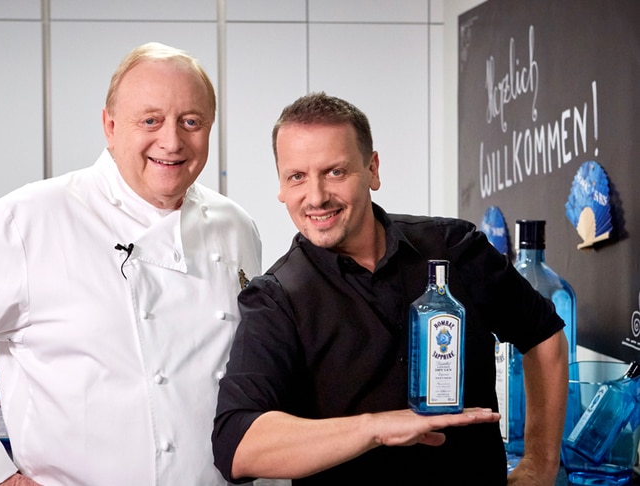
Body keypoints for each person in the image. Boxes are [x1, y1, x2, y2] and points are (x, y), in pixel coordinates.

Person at [0, 42, 261, 486]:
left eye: (191, 121)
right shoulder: (32, 219)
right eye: (150, 120)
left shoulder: (235, 226)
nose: (172, 141)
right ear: (110, 126)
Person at [212, 92, 567, 485]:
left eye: (335, 172)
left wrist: (540, 464)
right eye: (297, 176)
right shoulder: (275, 298)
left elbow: (543, 335)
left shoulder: (455, 247)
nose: (316, 197)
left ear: (373, 169)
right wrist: (374, 428)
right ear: (281, 186)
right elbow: (237, 445)